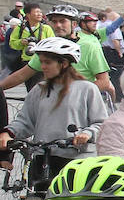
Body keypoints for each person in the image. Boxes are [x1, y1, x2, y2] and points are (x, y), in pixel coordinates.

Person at [0, 37, 104, 165]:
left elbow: (101, 123)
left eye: (47, 63)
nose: (43, 67)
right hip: (42, 158)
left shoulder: (87, 89)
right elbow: (25, 121)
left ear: (64, 63)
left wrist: (87, 134)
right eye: (41, 62)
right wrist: (8, 133)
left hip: (76, 160)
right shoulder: (38, 90)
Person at [8, 3, 53, 87]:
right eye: (36, 12)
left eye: (40, 12)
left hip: (41, 61)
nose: (40, 14)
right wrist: (21, 42)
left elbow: (52, 43)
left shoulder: (46, 28)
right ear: (28, 14)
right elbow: (12, 43)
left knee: (39, 86)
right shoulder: (20, 28)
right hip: (27, 61)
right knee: (30, 86)